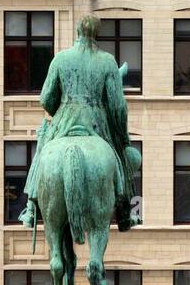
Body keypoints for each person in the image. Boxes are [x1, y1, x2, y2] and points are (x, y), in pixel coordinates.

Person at [19, 17, 141, 234]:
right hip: (98, 124)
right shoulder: (107, 62)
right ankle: (126, 213)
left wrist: (61, 108)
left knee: (41, 152)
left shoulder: (60, 59)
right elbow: (117, 107)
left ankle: (30, 207)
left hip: (63, 121)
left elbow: (46, 98)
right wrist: (123, 137)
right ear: (97, 34)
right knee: (123, 157)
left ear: (77, 32)